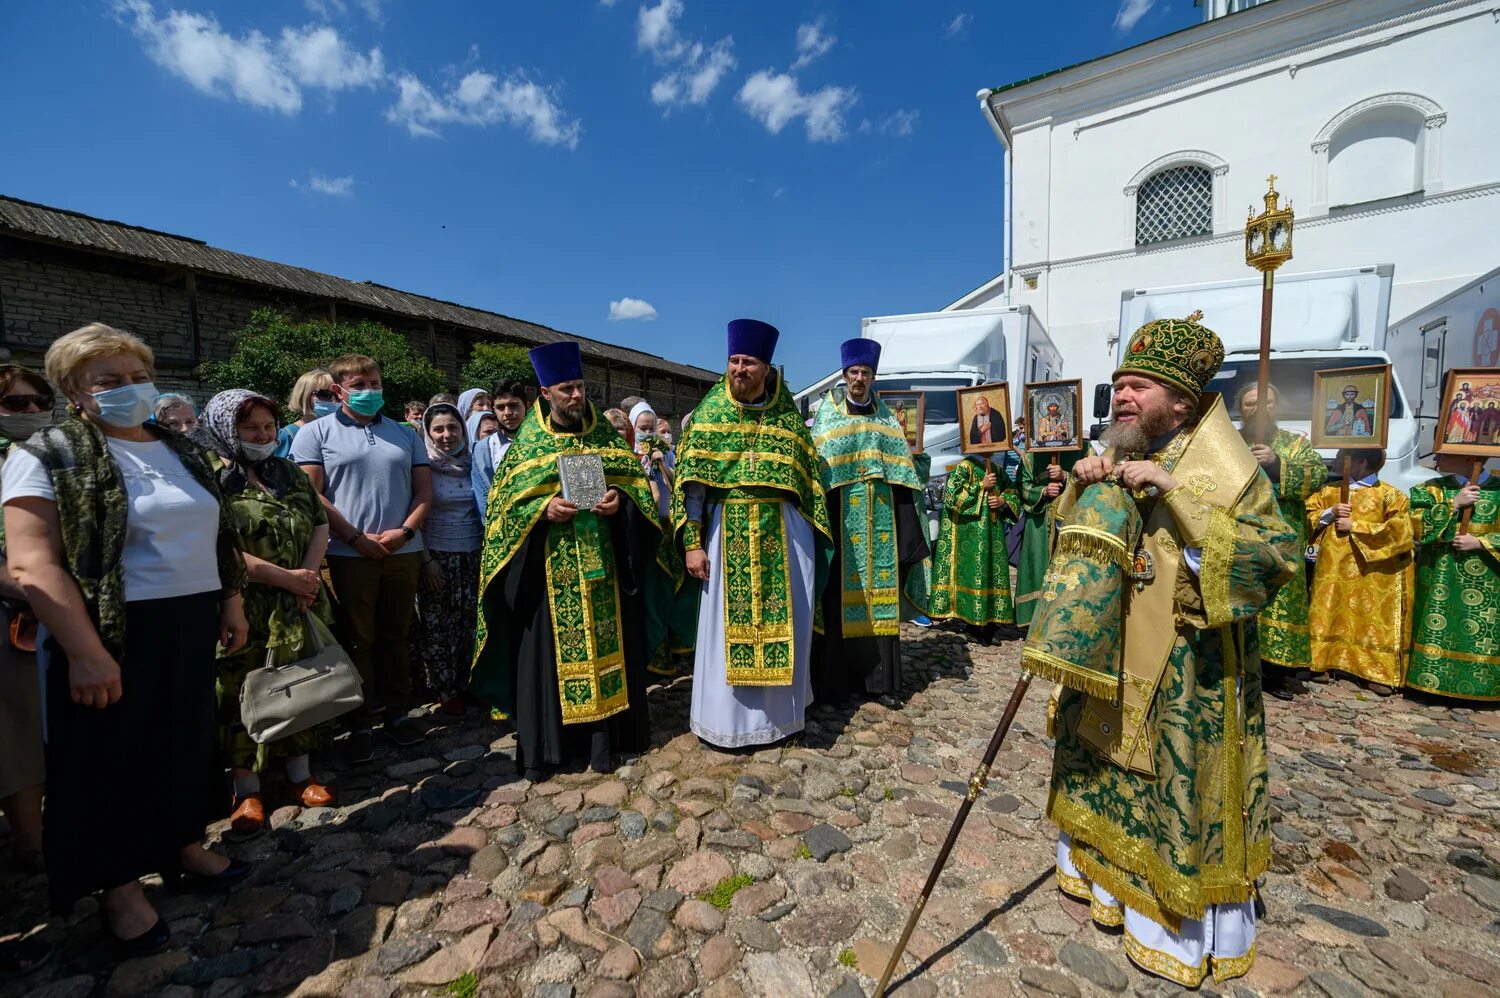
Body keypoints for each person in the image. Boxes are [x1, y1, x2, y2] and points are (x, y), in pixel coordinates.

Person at [1023, 315, 1298, 988]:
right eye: (1118, 385)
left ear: (1182, 401)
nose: (1121, 396)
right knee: (1100, 761)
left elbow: (1275, 555)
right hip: (1109, 654)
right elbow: (1077, 565)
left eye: (1138, 386)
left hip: (1185, 668)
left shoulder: (1225, 469)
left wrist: (1179, 496)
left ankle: (1173, 925)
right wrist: (1084, 491)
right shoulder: (1114, 454)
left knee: (1168, 780)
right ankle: (1102, 882)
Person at [3, 324, 251, 952]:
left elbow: (218, 534)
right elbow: (32, 562)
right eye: (109, 381)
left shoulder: (181, 448)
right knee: (108, 761)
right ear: (74, 392)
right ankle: (118, 888)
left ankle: (182, 845)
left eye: (137, 376)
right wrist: (86, 653)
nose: (129, 389)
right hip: (109, 630)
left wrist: (231, 600)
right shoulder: (49, 453)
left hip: (189, 619)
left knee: (184, 740)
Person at [470, 342, 676, 778]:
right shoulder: (526, 447)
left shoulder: (602, 434)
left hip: (604, 569)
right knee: (547, 655)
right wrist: (540, 511)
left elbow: (637, 488)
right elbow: (502, 511)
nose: (577, 396)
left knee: (611, 648)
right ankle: (552, 747)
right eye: (566, 389)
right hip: (547, 577)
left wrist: (619, 501)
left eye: (580, 387)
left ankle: (610, 740)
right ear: (545, 393)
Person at [672, 320, 830, 748]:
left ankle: (780, 722)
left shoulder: (788, 420)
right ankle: (727, 725)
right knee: (726, 630)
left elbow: (809, 483)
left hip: (784, 533)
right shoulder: (709, 413)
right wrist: (692, 543)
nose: (739, 369)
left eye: (749, 362)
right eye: (734, 361)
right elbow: (693, 488)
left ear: (766, 367)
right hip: (727, 533)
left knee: (787, 623)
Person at [199, 390, 335, 834]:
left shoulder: (289, 473)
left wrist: (309, 576)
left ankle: (301, 774)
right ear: (226, 431)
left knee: (299, 683)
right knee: (242, 691)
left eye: (268, 427)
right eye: (250, 428)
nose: (262, 436)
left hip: (301, 597)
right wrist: (285, 578)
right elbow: (220, 550)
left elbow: (318, 522)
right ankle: (247, 789)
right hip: (243, 604)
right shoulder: (210, 480)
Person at [291, 353, 432, 761]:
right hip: (347, 554)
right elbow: (312, 494)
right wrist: (354, 537)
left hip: (402, 550)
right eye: (360, 385)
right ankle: (360, 721)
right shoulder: (315, 434)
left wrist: (405, 531)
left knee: (398, 633)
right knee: (358, 638)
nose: (370, 392)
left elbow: (424, 492)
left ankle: (399, 714)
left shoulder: (405, 433)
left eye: (375, 383)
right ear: (338, 390)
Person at [811, 338, 929, 703]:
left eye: (865, 372)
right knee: (835, 600)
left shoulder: (887, 420)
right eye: (853, 372)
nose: (859, 378)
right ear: (844, 375)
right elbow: (819, 471)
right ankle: (834, 684)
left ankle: (880, 683)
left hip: (880, 523)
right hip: (841, 523)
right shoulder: (827, 416)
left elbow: (904, 476)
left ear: (873, 376)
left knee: (880, 601)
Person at [1238, 383, 1328, 697]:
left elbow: (1317, 476)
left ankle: (1276, 671)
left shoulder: (1294, 444)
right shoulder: (1231, 442)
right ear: (1241, 409)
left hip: (1284, 533)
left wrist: (1277, 463)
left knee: (1283, 599)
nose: (1257, 408)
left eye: (1265, 402)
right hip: (1243, 530)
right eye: (1249, 404)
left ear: (1277, 407)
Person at [0, 365, 54, 874]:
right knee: (15, 731)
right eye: (17, 404)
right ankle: (30, 841)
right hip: (14, 612)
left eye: (40, 401)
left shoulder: (58, 457)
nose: (33, 412)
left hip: (59, 613)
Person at [1306, 448, 1413, 695]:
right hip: (1332, 568)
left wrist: (1356, 526)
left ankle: (1372, 671)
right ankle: (1321, 660)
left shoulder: (1389, 494)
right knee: (1329, 607)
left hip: (1372, 572)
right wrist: (1329, 513)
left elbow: (1401, 533)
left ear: (1361, 461)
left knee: (1368, 616)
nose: (1335, 461)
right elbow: (1305, 516)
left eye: (1343, 457)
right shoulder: (1329, 492)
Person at [1406, 455, 1500, 700]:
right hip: (1438, 576)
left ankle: (1481, 686)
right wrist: (1453, 504)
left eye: (1445, 451)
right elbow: (1416, 527)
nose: (1436, 456)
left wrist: (1481, 542)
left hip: (1486, 581)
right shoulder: (1430, 489)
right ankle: (1427, 680)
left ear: (1469, 456)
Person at [414, 403, 483, 715]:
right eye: (438, 429)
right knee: (439, 625)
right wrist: (426, 560)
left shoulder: (475, 462)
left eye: (452, 427)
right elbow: (412, 515)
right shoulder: (420, 466)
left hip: (473, 553)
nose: (446, 435)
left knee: (471, 621)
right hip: (436, 556)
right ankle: (445, 688)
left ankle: (470, 683)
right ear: (427, 433)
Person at [929, 447, 1019, 643]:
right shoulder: (964, 466)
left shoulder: (997, 469)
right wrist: (982, 486)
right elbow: (952, 498)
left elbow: (1012, 492)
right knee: (974, 574)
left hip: (993, 533)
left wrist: (1003, 501)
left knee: (992, 575)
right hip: (969, 533)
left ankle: (990, 623)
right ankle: (972, 624)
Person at [1012, 448, 1079, 629]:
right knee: (1037, 563)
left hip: (1073, 520)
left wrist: (1066, 476)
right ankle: (1034, 619)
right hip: (1039, 523)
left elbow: (1096, 484)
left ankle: (1067, 619)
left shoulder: (1086, 452)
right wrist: (1043, 491)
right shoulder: (1031, 456)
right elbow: (1022, 487)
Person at [472, 381, 528, 521]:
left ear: (527, 406)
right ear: (493, 409)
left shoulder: (542, 443)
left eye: (514, 405)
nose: (507, 413)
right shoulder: (482, 449)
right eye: (500, 407)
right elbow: (483, 496)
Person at [274, 367, 337, 458]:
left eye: (337, 394)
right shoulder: (287, 436)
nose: (333, 400)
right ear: (304, 395)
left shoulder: (342, 432)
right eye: (325, 394)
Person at [631, 401, 675, 520]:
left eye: (651, 429)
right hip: (639, 513)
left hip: (664, 513)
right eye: (642, 428)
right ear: (632, 426)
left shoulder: (665, 451)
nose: (647, 433)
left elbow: (676, 479)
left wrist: (662, 463)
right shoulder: (628, 450)